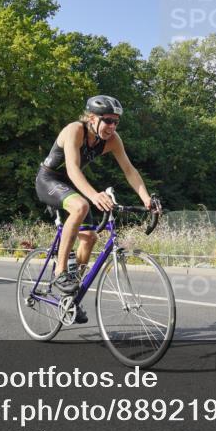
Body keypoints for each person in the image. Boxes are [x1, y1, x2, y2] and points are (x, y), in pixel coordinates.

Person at [35, 95, 156, 324]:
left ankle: (70, 296)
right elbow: (71, 169)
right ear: (92, 118)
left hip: (71, 185)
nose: (112, 126)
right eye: (108, 120)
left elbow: (129, 170)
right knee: (80, 205)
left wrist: (146, 198)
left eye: (116, 122)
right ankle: (60, 271)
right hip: (49, 180)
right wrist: (93, 195)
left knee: (90, 238)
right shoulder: (75, 130)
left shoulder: (112, 140)